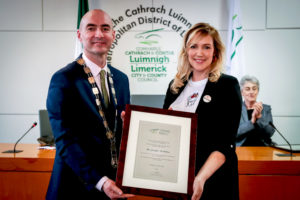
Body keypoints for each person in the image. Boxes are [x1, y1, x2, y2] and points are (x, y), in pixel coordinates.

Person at [46, 9, 133, 200]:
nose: (99, 34)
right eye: (91, 28)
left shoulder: (121, 80)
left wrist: (131, 130)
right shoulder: (63, 79)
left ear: (113, 35)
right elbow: (65, 141)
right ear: (80, 35)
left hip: (113, 188)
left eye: (105, 28)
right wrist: (101, 181)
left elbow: (119, 133)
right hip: (74, 188)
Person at [163, 23, 242, 200]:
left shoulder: (227, 85)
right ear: (186, 51)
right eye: (194, 46)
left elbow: (226, 143)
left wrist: (201, 178)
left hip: (212, 181)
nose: (199, 53)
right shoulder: (175, 86)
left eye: (206, 47)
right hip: (176, 180)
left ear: (215, 52)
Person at [236, 75, 275, 146]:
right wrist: (252, 121)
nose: (251, 92)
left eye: (254, 89)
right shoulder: (236, 109)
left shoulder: (265, 108)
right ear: (242, 92)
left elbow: (270, 133)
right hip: (242, 148)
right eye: (247, 89)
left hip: (263, 148)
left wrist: (260, 117)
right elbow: (235, 133)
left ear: (258, 91)